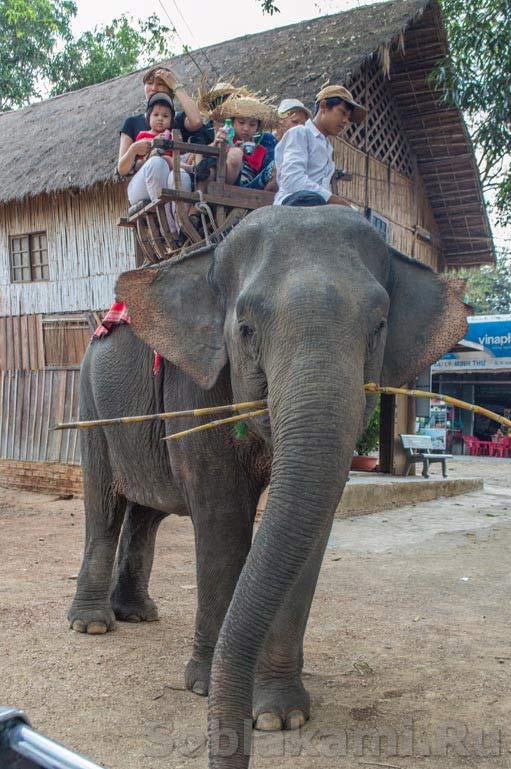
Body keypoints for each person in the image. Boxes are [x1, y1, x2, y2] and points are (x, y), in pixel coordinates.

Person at [273, 84, 366, 207]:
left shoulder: (327, 147)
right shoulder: (300, 133)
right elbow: (293, 180)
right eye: (342, 113)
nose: (345, 121)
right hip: (293, 205)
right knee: (313, 199)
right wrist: (332, 199)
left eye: (348, 118)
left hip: (316, 208)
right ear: (323, 106)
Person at [123, 93, 192, 236]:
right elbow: (130, 166)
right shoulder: (143, 136)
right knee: (157, 162)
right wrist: (153, 145)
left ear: (171, 121)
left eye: (165, 116)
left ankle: (183, 228)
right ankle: (169, 228)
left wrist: (178, 143)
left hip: (166, 176)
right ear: (148, 118)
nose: (160, 118)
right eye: (156, 115)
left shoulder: (173, 136)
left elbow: (180, 155)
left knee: (180, 176)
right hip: (144, 183)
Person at [117, 66, 202, 178]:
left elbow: (196, 121)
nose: (154, 88)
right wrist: (134, 149)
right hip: (143, 180)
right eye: (150, 83)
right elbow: (121, 169)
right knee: (156, 163)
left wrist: (176, 86)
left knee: (177, 177)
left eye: (160, 84)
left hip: (176, 177)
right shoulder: (132, 122)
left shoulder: (179, 119)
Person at [209, 94, 277, 189]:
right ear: (232, 123)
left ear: (257, 128)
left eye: (252, 125)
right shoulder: (224, 138)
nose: (246, 128)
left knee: (279, 164)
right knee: (235, 153)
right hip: (227, 184)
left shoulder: (262, 150)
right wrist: (217, 143)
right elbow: (204, 159)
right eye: (241, 123)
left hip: (252, 188)